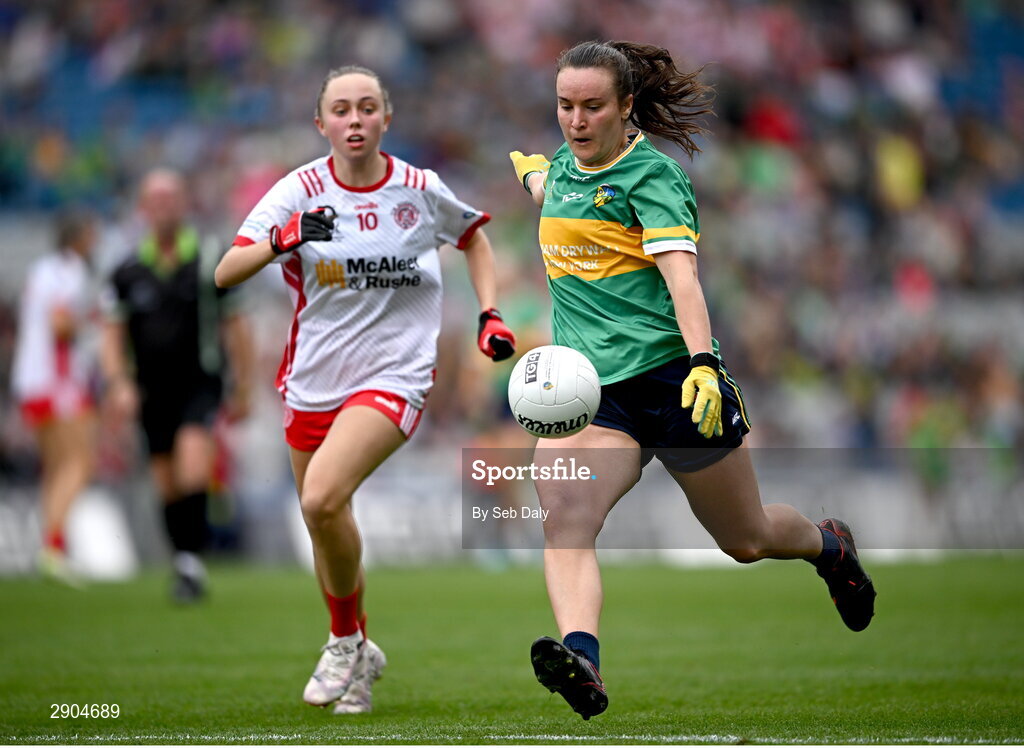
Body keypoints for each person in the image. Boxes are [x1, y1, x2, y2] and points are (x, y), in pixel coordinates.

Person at [508, 40, 876, 720]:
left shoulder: (654, 178)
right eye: (565, 106)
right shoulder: (559, 168)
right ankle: (582, 658)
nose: (576, 121)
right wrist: (532, 177)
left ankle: (830, 546)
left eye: (592, 106)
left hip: (679, 383)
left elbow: (683, 280)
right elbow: (551, 190)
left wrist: (704, 365)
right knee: (564, 516)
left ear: (625, 108)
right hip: (595, 398)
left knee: (747, 540)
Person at [215, 64, 516, 715]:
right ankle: (359, 655)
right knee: (325, 520)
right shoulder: (298, 190)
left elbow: (475, 239)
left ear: (386, 117)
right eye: (342, 110)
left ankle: (343, 641)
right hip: (312, 380)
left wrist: (490, 314)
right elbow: (225, 270)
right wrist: (281, 240)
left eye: (367, 108)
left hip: (395, 375)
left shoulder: (418, 188)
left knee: (322, 497)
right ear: (320, 123)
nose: (355, 120)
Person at [101, 168, 254, 603]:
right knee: (165, 482)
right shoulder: (127, 271)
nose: (165, 206)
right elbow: (111, 336)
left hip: (200, 383)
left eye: (172, 198)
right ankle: (184, 561)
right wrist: (118, 384)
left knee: (192, 467)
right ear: (143, 208)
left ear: (185, 203)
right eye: (156, 199)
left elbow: (236, 325)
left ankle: (190, 564)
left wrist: (243, 386)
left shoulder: (211, 259)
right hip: (149, 390)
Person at [11, 210, 99, 584]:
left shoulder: (41, 270)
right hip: (57, 379)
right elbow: (60, 324)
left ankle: (53, 549)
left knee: (57, 466)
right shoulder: (71, 270)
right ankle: (52, 545)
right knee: (79, 462)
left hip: (29, 378)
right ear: (78, 237)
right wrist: (92, 322)